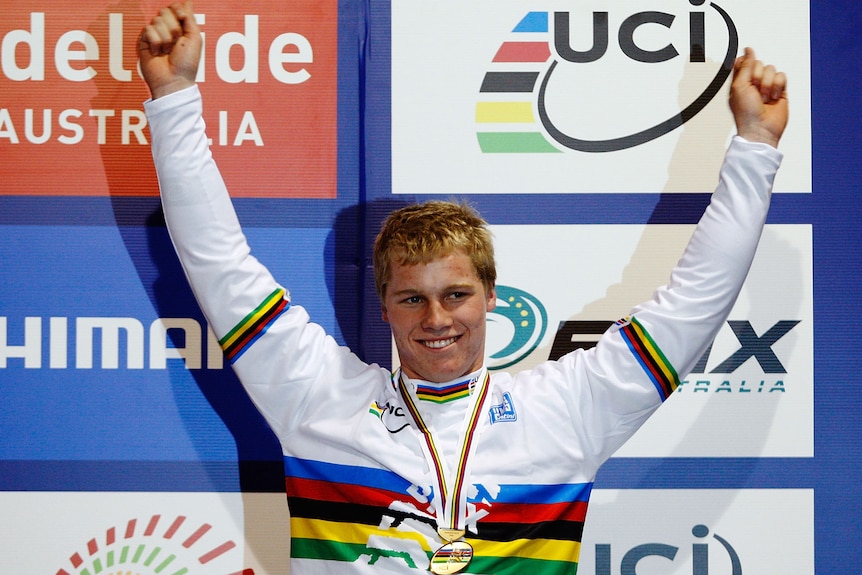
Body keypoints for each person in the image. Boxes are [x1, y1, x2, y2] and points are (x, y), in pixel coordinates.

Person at [139, 3, 788, 574]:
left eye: (455, 294)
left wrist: (755, 146)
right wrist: (173, 98)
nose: (436, 318)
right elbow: (218, 262)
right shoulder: (317, 396)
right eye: (411, 297)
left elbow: (694, 306)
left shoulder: (566, 411)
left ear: (490, 297)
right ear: (385, 306)